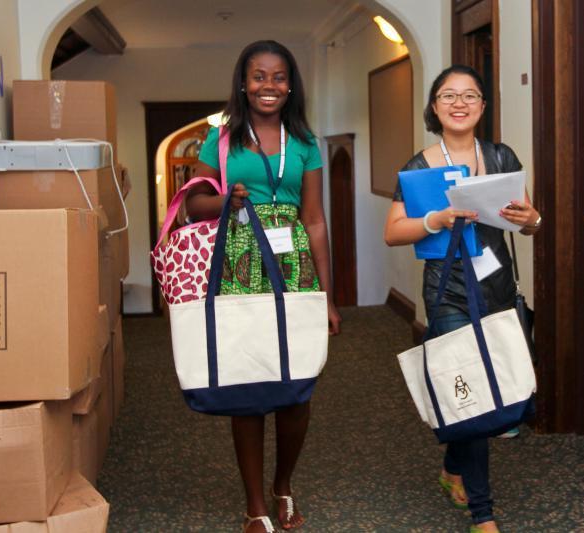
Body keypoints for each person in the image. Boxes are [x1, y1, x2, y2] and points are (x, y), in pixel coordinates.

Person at [186, 40, 341, 533]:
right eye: (258, 76)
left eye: (277, 77)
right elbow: (193, 205)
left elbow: (314, 220)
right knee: (246, 385)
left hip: (294, 268)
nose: (268, 86)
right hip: (238, 264)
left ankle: (283, 485)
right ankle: (255, 505)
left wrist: (326, 295)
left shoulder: (304, 142)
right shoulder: (223, 139)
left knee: (297, 391)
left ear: (290, 85)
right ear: (243, 82)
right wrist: (226, 200)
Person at [383, 65, 541, 533]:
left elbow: (528, 223)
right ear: (434, 106)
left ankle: (453, 467)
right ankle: (483, 514)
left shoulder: (499, 155)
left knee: (488, 387)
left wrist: (533, 218)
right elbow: (393, 232)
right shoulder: (418, 166)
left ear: (482, 107)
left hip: (495, 286)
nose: (459, 103)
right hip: (448, 291)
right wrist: (437, 219)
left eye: (470, 95)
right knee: (473, 397)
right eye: (448, 95)